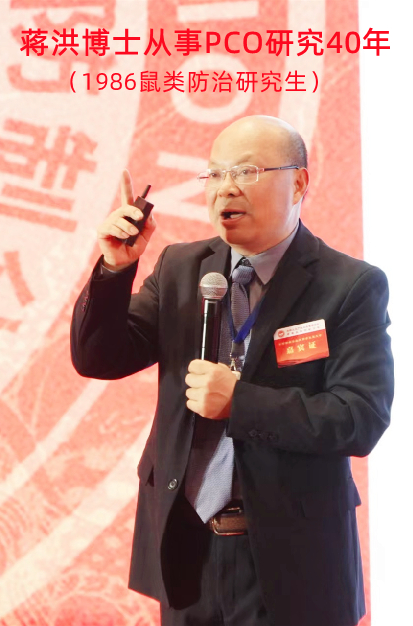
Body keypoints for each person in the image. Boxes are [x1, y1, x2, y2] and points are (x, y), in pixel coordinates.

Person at [70, 115, 394, 626]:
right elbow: (97, 357)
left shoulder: (349, 285)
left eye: (245, 172)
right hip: (187, 551)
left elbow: (359, 418)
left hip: (294, 563)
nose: (226, 188)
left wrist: (239, 402)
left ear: (299, 183)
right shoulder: (181, 268)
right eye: (215, 174)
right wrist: (115, 269)